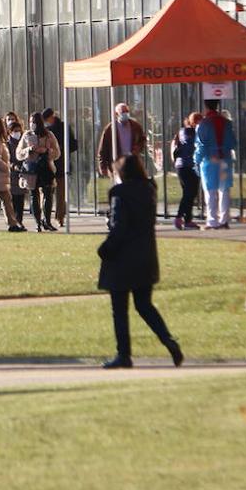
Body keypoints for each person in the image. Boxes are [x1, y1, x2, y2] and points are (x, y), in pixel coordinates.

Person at [98, 155, 182, 368]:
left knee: (120, 309)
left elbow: (119, 225)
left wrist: (106, 248)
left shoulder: (120, 193)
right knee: (144, 305)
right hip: (145, 254)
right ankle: (168, 340)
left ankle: (123, 354)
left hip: (123, 257)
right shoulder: (149, 190)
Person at [195, 100, 237, 229]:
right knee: (224, 189)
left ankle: (212, 221)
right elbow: (233, 143)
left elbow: (201, 145)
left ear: (206, 107)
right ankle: (224, 220)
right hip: (225, 159)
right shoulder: (227, 123)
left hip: (209, 160)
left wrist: (196, 160)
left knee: (210, 190)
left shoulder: (203, 124)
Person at [17, 112, 60, 231]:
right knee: (33, 195)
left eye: (35, 122)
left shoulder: (49, 135)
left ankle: (47, 221)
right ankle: (37, 223)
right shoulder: (27, 135)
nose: (32, 124)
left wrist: (46, 151)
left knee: (48, 194)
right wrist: (28, 150)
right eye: (31, 122)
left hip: (45, 168)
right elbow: (18, 154)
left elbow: (57, 153)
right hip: (31, 169)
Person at [42, 108, 77, 227]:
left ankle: (60, 216)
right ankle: (45, 217)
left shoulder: (63, 127)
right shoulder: (45, 130)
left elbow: (73, 145)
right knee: (47, 192)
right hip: (48, 165)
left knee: (61, 193)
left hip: (61, 164)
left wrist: (62, 149)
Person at [97, 102, 147, 180]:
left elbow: (142, 140)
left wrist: (137, 149)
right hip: (117, 164)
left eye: (127, 111)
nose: (125, 114)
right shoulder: (110, 129)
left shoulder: (135, 126)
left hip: (132, 162)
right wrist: (103, 167)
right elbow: (103, 150)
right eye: (123, 112)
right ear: (116, 114)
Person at [172, 112, 203, 230]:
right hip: (185, 166)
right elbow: (192, 144)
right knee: (188, 193)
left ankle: (188, 220)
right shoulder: (186, 132)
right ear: (192, 122)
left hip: (190, 166)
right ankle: (179, 217)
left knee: (191, 193)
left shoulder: (194, 132)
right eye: (198, 121)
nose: (200, 124)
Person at [5, 119, 27, 225]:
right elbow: (6, 160)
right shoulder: (7, 145)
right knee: (13, 200)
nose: (17, 133)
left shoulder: (23, 143)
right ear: (10, 132)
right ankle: (13, 221)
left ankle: (20, 221)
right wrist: (13, 166)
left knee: (20, 200)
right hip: (11, 175)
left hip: (22, 174)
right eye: (15, 131)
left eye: (19, 130)